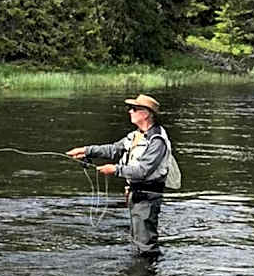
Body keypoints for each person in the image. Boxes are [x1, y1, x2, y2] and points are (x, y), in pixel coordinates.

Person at [67, 94, 174, 256]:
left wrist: (115, 169)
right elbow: (113, 150)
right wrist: (86, 151)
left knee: (146, 245)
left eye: (134, 109)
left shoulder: (157, 140)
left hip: (147, 196)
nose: (130, 111)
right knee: (138, 241)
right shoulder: (136, 135)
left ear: (146, 114)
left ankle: (149, 270)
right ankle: (143, 269)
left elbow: (142, 171)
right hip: (136, 194)